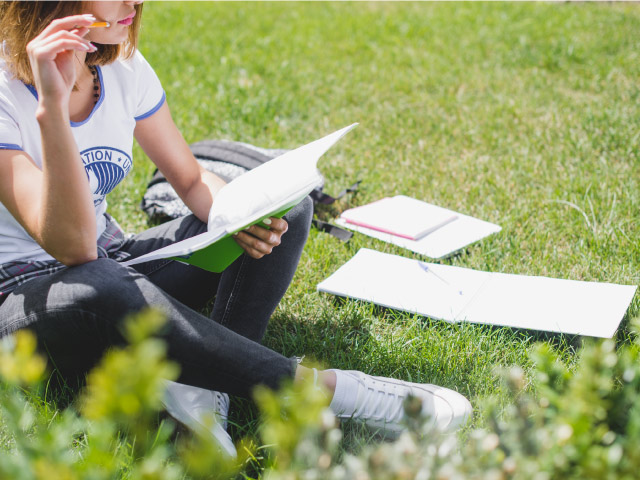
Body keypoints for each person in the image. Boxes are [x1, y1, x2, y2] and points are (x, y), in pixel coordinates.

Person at [0, 0, 472, 457]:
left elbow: (188, 177)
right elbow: (75, 247)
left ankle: (202, 392)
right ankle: (334, 392)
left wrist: (240, 216)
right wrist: (53, 110)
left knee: (286, 210)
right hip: (30, 300)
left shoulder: (121, 65)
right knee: (97, 284)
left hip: (116, 265)